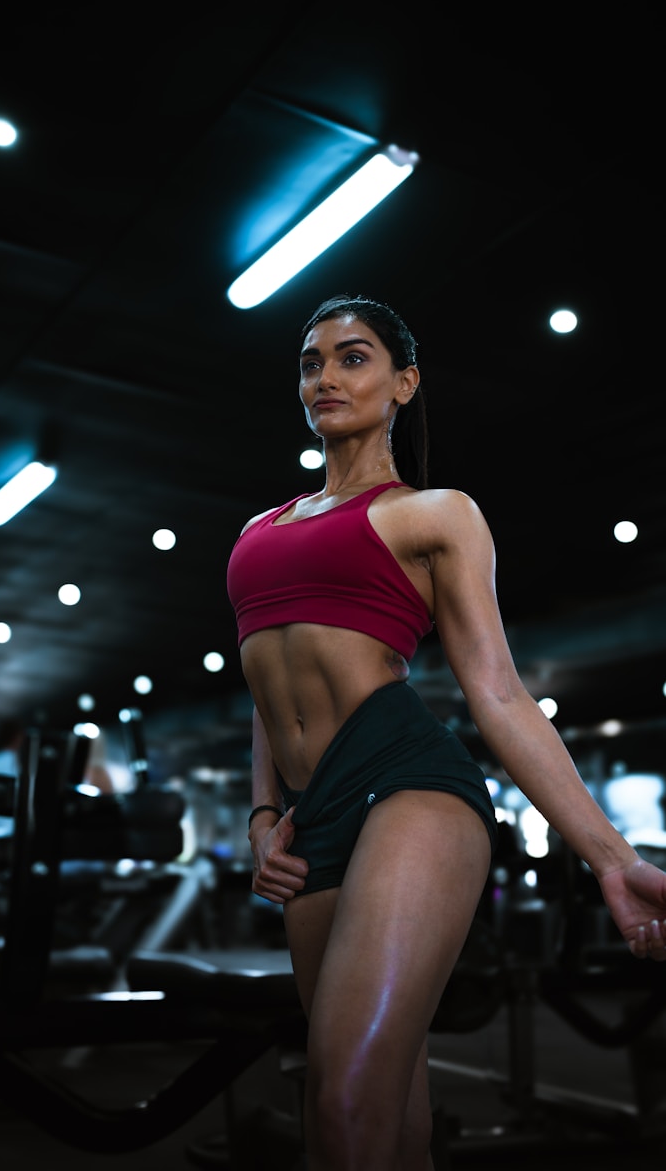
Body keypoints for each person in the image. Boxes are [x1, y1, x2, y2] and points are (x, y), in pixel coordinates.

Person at [226, 294, 666, 1171]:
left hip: (408, 788)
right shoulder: (255, 530)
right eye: (310, 363)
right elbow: (265, 697)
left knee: (344, 1100)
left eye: (352, 357)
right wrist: (262, 815)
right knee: (382, 1113)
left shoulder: (434, 514)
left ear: (403, 383)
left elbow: (498, 695)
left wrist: (612, 861)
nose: (324, 377)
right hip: (310, 826)